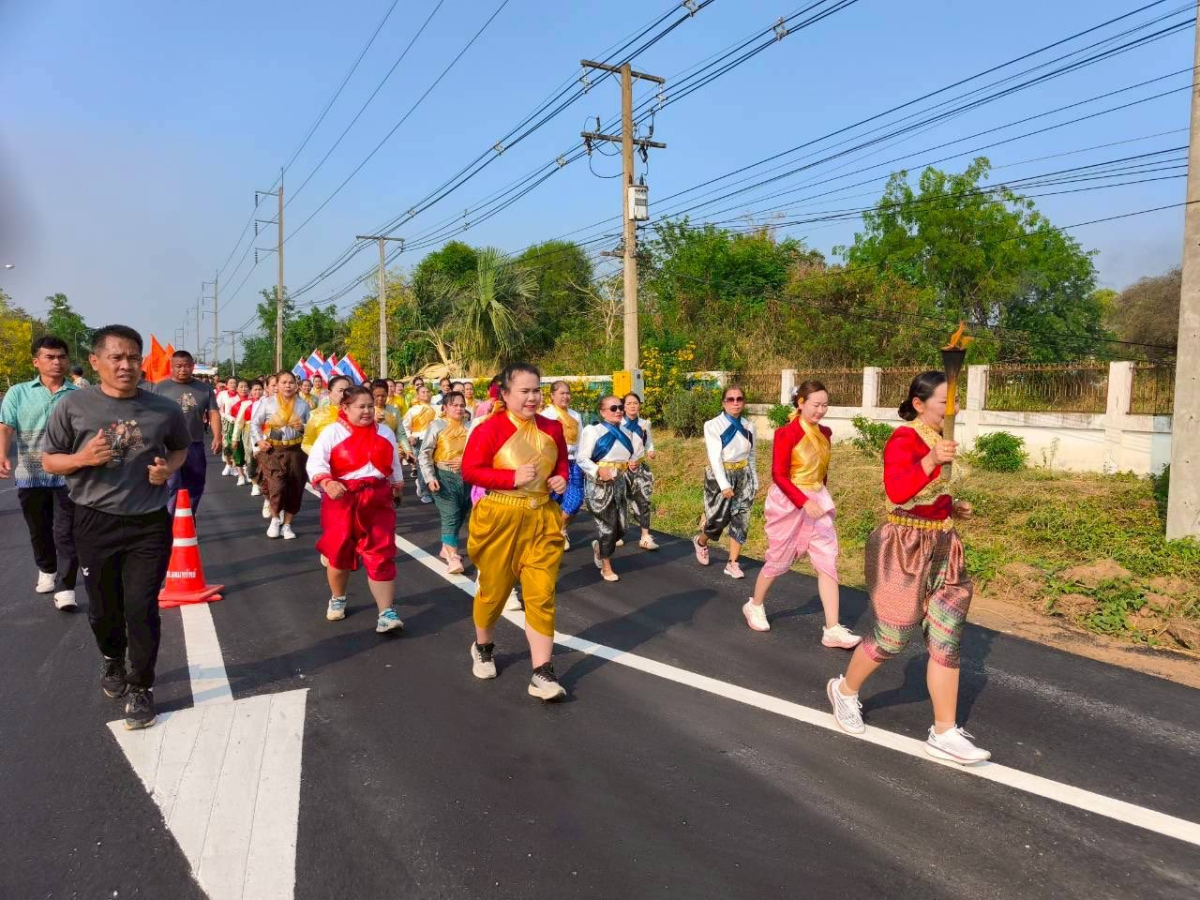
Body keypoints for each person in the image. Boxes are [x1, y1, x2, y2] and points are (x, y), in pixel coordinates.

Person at [826, 372, 988, 764]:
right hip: (903, 548)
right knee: (892, 638)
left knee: (946, 640)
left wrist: (952, 506)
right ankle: (845, 690)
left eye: (955, 401)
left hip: (945, 546)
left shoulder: (941, 440)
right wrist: (932, 460)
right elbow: (898, 492)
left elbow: (930, 493)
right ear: (919, 403)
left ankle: (945, 731)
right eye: (944, 401)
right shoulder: (904, 439)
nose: (953, 408)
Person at [42, 324, 192, 730]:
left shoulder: (164, 408)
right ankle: (112, 659)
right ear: (95, 362)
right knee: (104, 609)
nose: (126, 365)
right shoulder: (74, 407)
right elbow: (50, 460)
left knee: (142, 607)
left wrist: (167, 470)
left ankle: (142, 686)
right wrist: (81, 460)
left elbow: (179, 448)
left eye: (132, 357)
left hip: (148, 523)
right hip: (94, 520)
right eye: (116, 357)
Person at [462, 362, 569, 701]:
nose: (532, 397)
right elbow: (470, 471)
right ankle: (482, 646)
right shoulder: (488, 429)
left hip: (541, 516)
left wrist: (560, 478)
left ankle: (542, 672)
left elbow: (563, 461)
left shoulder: (553, 428)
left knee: (541, 594)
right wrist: (510, 479)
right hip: (500, 517)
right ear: (505, 394)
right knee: (493, 591)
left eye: (536, 390)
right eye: (524, 391)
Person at [744, 381, 861, 649]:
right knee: (779, 558)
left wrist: (819, 497)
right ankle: (755, 604)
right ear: (801, 403)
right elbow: (779, 474)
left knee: (827, 559)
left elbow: (823, 472)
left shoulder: (826, 432)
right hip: (789, 502)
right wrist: (803, 501)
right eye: (815, 405)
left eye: (824, 405)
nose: (821, 410)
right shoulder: (787, 433)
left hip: (817, 500)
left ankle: (832, 628)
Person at [307, 385, 405, 632]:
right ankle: (338, 597)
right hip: (343, 500)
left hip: (377, 499)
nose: (367, 411)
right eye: (361, 407)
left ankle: (386, 612)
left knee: (382, 552)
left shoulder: (385, 432)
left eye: (370, 406)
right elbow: (316, 462)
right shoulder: (332, 432)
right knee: (339, 551)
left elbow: (393, 463)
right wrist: (328, 482)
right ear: (345, 408)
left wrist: (396, 485)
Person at [0, 335, 80, 610]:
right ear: (36, 362)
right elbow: (6, 425)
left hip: (68, 474)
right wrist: (1, 452)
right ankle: (47, 569)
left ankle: (67, 588)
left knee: (66, 531)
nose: (56, 362)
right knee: (39, 529)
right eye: (49, 357)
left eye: (61, 356)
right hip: (31, 473)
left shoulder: (78, 395)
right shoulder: (18, 393)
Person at [694, 386, 758, 579]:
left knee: (741, 518)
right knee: (717, 520)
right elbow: (714, 457)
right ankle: (701, 542)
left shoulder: (749, 426)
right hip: (720, 475)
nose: (735, 403)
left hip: (743, 474)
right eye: (730, 399)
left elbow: (752, 455)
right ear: (723, 403)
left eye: (739, 399)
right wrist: (724, 485)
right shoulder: (712, 425)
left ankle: (732, 563)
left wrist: (755, 480)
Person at [578, 395, 639, 583]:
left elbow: (633, 455)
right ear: (602, 412)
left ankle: (600, 548)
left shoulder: (628, 432)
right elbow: (582, 458)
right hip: (599, 486)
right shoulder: (593, 430)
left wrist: (632, 465)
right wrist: (598, 470)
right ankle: (606, 565)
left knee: (623, 527)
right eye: (613, 408)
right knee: (608, 528)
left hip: (619, 484)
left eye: (620, 407)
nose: (618, 411)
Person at [152, 351, 221, 514]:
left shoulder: (205, 389)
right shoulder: (160, 388)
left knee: (195, 484)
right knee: (171, 484)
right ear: (172, 367)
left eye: (187, 365)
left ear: (193, 366)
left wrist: (218, 436)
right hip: (168, 446)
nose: (183, 369)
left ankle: (188, 518)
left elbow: (213, 413)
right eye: (179, 366)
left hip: (194, 444)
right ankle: (169, 523)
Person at [251, 371, 311, 539]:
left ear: (296, 385)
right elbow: (255, 423)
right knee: (276, 487)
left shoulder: (303, 405)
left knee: (295, 488)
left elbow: (311, 428)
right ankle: (276, 518)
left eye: (291, 382)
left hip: (296, 452)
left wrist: (302, 428)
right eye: (283, 382)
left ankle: (287, 525)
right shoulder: (267, 403)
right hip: (273, 451)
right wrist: (259, 441)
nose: (288, 385)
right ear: (276, 386)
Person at [420, 390, 471, 574]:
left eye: (462, 405)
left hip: (467, 478)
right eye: (454, 405)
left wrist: (466, 461)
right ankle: (453, 558)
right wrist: (430, 477)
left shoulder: (471, 426)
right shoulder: (437, 425)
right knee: (451, 514)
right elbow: (424, 453)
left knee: (462, 514)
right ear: (445, 407)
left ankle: (446, 547)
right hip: (443, 477)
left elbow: (479, 452)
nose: (459, 408)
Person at [541, 381, 584, 548]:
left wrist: (583, 463)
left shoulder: (576, 415)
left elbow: (581, 441)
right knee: (551, 500)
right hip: (553, 463)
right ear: (552, 396)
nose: (565, 396)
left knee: (576, 499)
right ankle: (547, 533)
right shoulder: (546, 415)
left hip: (573, 462)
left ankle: (560, 529)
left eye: (568, 393)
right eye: (561, 393)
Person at [621, 392, 659, 551]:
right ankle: (617, 533)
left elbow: (648, 441)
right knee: (620, 501)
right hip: (622, 468)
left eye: (635, 403)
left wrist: (651, 451)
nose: (632, 406)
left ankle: (645, 536)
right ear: (623, 406)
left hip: (640, 468)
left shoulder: (645, 424)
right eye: (629, 403)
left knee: (643, 500)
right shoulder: (618, 423)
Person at [403, 383, 437, 503]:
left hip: (434, 440)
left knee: (433, 466)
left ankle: (433, 489)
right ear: (417, 395)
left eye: (428, 391)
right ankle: (424, 492)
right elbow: (405, 425)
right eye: (423, 392)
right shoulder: (413, 410)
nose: (426, 394)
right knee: (422, 466)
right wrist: (410, 436)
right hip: (419, 440)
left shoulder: (436, 408)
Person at [241, 381, 265, 494]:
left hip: (264, 433)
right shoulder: (245, 404)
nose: (257, 392)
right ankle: (254, 483)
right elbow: (239, 422)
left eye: (259, 389)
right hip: (248, 433)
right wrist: (235, 438)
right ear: (251, 391)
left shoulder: (267, 403)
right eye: (255, 389)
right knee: (251, 459)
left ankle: (263, 482)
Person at [216, 375, 239, 475]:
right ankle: (228, 464)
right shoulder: (222, 394)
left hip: (238, 422)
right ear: (226, 385)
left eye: (235, 383)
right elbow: (217, 409)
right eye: (231, 383)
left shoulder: (240, 394)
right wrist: (226, 417)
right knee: (226, 444)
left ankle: (235, 465)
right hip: (226, 422)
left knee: (236, 444)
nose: (233, 385)